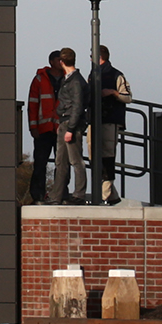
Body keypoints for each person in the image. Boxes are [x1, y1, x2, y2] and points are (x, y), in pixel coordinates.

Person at [26, 48, 90, 204]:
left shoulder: (69, 79)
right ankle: (40, 195)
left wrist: (71, 126)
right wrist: (33, 126)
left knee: (65, 162)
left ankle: (62, 194)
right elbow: (33, 104)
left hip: (62, 126)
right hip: (44, 129)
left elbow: (78, 104)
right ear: (52, 62)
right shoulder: (40, 79)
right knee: (42, 163)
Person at [92, 45, 129, 205]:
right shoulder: (92, 74)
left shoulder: (116, 75)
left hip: (110, 120)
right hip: (94, 119)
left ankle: (104, 193)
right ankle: (110, 195)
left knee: (107, 155)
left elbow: (128, 97)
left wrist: (113, 93)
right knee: (95, 155)